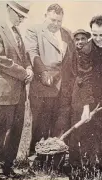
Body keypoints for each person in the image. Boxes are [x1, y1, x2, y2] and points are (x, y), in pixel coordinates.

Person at [0, 1, 33, 180]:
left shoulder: (17, 31)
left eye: (23, 16)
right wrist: (23, 73)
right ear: (9, 9)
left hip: (18, 92)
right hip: (2, 90)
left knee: (15, 131)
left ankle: (8, 166)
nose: (21, 19)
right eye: (19, 14)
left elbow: (24, 56)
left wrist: (29, 69)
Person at [68, 15, 102, 180]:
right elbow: (85, 81)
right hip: (85, 96)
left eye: (101, 35)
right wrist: (86, 108)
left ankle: (100, 167)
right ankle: (86, 171)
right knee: (87, 134)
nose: (97, 39)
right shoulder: (85, 51)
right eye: (94, 34)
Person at [24, 4, 76, 160]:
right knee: (40, 124)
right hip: (43, 85)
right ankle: (36, 158)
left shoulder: (67, 33)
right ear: (45, 15)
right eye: (53, 20)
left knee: (59, 125)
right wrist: (43, 73)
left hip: (64, 88)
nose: (56, 24)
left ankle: (55, 160)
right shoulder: (34, 31)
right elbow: (32, 53)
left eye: (59, 21)